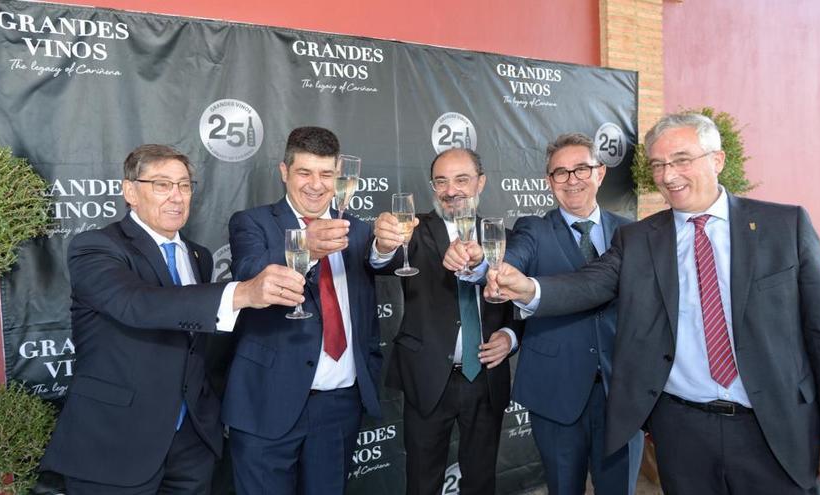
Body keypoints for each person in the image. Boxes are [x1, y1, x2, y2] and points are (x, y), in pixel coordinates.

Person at [488, 112, 820, 495]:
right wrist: (527, 289)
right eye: (658, 165)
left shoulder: (784, 226)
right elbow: (587, 285)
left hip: (774, 428)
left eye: (681, 160)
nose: (668, 175)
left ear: (717, 160)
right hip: (681, 432)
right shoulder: (639, 239)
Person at [40, 144, 305, 494]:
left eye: (184, 185)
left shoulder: (199, 255)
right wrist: (241, 293)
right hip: (116, 445)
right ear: (130, 191)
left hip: (192, 445)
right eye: (161, 185)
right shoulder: (96, 247)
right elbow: (135, 304)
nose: (176, 196)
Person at [223, 127, 382, 495]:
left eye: (326, 174)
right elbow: (250, 271)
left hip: (338, 406)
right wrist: (305, 246)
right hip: (267, 404)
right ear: (284, 171)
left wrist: (388, 246)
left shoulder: (357, 229)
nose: (316, 185)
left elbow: (384, 263)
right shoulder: (252, 222)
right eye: (304, 173)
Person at [496, 133, 642, 494]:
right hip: (556, 393)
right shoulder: (534, 229)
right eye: (560, 173)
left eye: (581, 169)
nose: (572, 179)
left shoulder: (634, 233)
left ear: (600, 173)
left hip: (622, 392)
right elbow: (511, 260)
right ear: (549, 182)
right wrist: (496, 272)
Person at [371, 148, 521, 495]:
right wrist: (382, 243)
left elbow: (521, 306)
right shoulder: (412, 230)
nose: (451, 190)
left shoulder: (505, 237)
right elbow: (379, 261)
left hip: (484, 378)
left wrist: (510, 337)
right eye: (441, 181)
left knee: (481, 480)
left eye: (461, 179)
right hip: (426, 378)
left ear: (481, 182)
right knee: (422, 482)